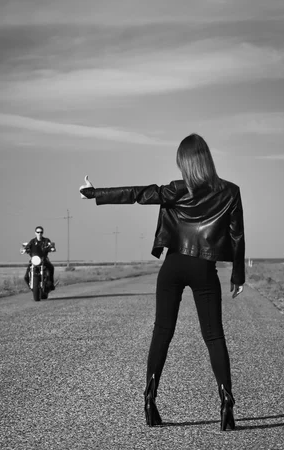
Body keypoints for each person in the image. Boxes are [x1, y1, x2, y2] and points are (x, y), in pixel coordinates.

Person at [80, 133, 245, 431]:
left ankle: (149, 398)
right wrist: (237, 275)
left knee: (162, 332)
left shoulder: (176, 189)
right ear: (207, 159)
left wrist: (95, 193)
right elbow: (237, 234)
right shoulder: (230, 192)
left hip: (173, 266)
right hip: (204, 269)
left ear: (184, 163)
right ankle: (226, 401)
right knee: (214, 336)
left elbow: (138, 194)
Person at [23, 226, 56, 291]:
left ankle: (51, 283)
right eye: (38, 232)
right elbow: (28, 247)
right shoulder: (32, 241)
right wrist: (25, 249)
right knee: (26, 276)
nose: (39, 234)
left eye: (41, 232)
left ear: (43, 233)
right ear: (35, 233)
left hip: (44, 259)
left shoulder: (46, 240)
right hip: (34, 259)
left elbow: (50, 245)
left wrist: (51, 248)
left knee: (51, 267)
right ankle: (31, 286)